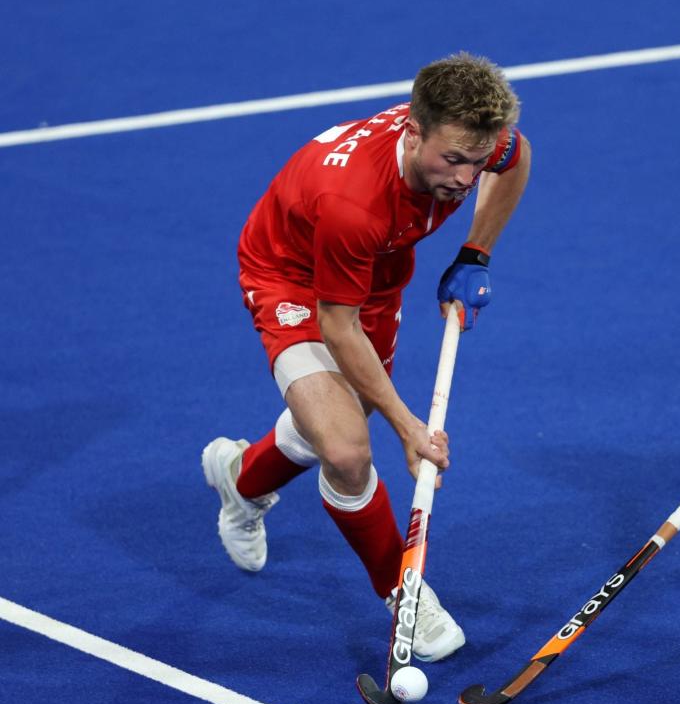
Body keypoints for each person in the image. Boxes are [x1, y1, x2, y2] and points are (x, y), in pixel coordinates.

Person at [202, 52, 531, 663]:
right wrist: (409, 426)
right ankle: (404, 595)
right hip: (292, 279)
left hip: (375, 273)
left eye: (476, 162)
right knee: (349, 450)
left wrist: (475, 253)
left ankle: (240, 480)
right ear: (413, 131)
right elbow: (337, 325)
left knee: (333, 423)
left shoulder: (480, 146)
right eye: (452, 160)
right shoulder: (355, 202)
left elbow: (515, 161)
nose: (465, 178)